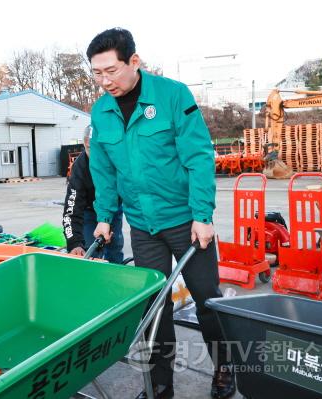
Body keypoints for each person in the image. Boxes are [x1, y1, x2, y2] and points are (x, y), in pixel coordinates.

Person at [87, 28, 235, 399]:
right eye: (97, 73)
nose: (105, 81)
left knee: (207, 298)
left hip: (187, 221)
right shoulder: (101, 111)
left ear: (134, 62)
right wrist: (106, 216)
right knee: (154, 306)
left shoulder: (172, 96)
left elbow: (199, 157)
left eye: (112, 71)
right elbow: (104, 171)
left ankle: (225, 369)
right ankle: (161, 382)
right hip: (143, 225)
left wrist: (202, 214)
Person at [63, 125, 124, 262]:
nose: (95, 154)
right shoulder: (80, 168)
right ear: (84, 145)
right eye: (90, 148)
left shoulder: (117, 162)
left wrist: (109, 222)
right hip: (89, 211)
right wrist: (74, 243)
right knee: (91, 250)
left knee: (115, 249)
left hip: (113, 208)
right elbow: (71, 210)